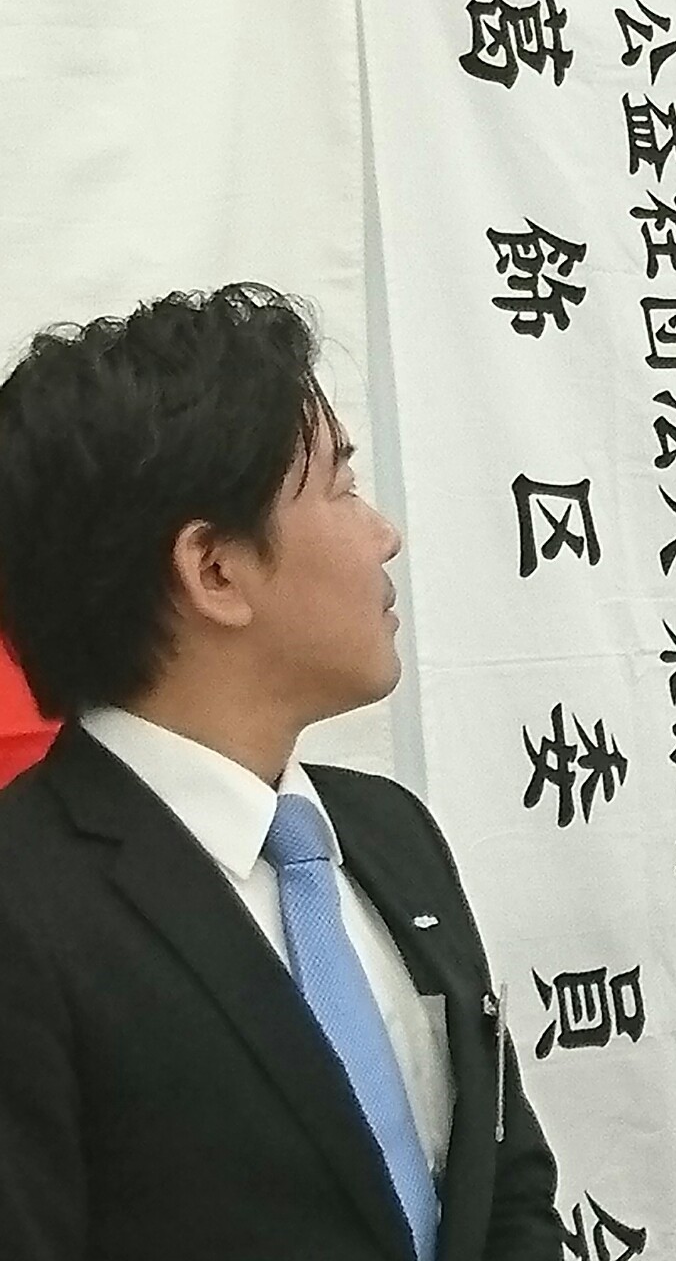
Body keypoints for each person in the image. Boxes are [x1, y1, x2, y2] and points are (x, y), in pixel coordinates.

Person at [0, 285, 561, 1261]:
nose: (383, 534)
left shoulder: (389, 834)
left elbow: (506, 1185)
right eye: (340, 485)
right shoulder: (27, 910)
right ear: (215, 571)